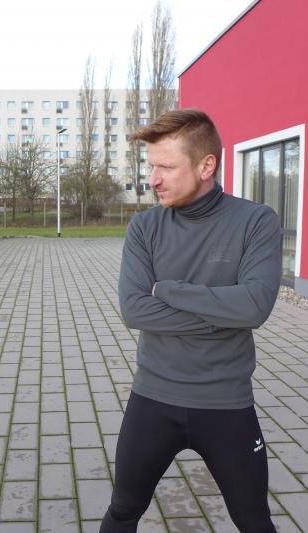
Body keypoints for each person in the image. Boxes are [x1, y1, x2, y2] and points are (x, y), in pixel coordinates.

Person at [101, 109, 281, 533]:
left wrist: (168, 289)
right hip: (152, 398)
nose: (153, 179)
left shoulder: (255, 221)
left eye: (166, 167)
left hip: (226, 402)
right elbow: (134, 309)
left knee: (254, 520)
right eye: (151, 167)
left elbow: (254, 307)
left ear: (206, 166)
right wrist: (226, 314)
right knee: (123, 510)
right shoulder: (145, 226)